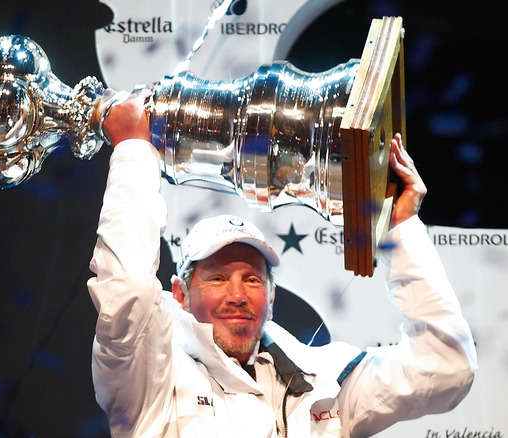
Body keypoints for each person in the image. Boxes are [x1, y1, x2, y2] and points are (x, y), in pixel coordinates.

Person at [86, 91, 477, 437]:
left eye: (253, 280)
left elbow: (446, 367)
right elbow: (129, 292)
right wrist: (134, 152)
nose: (237, 296)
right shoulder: (152, 373)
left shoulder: (327, 379)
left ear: (272, 298)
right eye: (218, 278)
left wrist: (402, 228)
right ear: (181, 294)